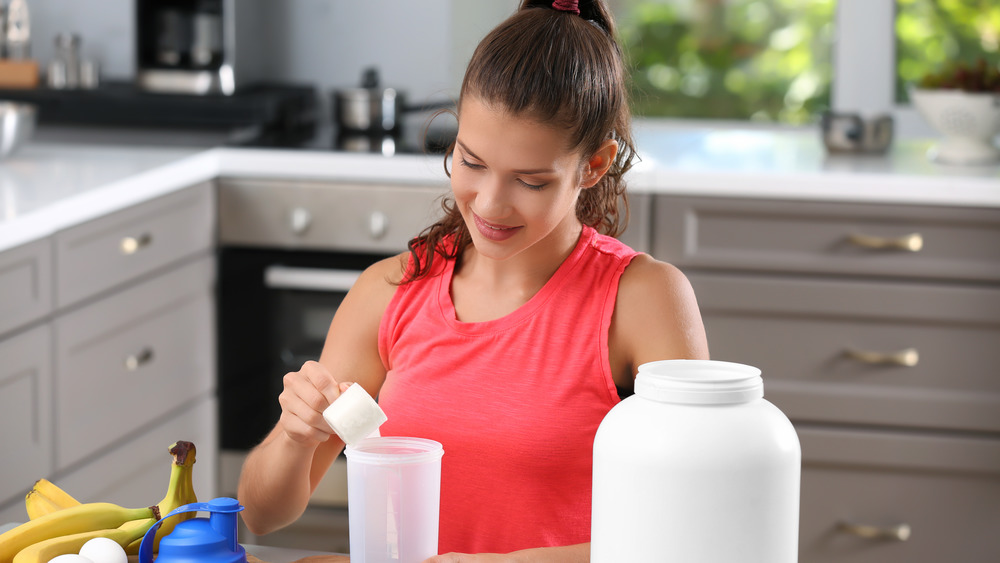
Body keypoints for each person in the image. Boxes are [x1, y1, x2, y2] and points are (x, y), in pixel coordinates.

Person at [237, 0, 709, 560]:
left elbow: (692, 529)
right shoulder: (390, 292)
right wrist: (296, 436)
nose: (489, 204)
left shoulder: (642, 299)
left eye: (530, 181)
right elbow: (262, 516)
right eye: (471, 161)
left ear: (594, 165)